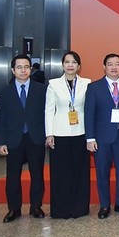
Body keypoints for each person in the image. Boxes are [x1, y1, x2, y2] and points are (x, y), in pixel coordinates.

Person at [0, 54, 47, 223]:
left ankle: (36, 206)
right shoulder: (5, 92)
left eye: (26, 67)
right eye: (19, 67)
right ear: (13, 70)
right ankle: (14, 208)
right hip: (14, 139)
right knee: (12, 176)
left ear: (30, 69)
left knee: (37, 174)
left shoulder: (42, 89)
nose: (23, 70)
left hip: (36, 138)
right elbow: (1, 119)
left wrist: (48, 135)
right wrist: (1, 142)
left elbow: (47, 114)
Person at [85, 53, 119, 219]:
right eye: (110, 64)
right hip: (101, 138)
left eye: (117, 64)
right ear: (104, 67)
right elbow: (89, 114)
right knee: (102, 173)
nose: (114, 67)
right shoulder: (94, 87)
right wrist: (90, 138)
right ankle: (104, 205)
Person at [44, 51, 91, 219]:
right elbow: (49, 110)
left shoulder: (87, 83)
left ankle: (79, 208)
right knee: (61, 173)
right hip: (59, 133)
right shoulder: (53, 84)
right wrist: (49, 134)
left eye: (74, 62)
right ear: (63, 65)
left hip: (81, 132)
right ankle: (61, 209)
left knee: (80, 171)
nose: (70, 65)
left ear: (79, 66)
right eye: (67, 62)